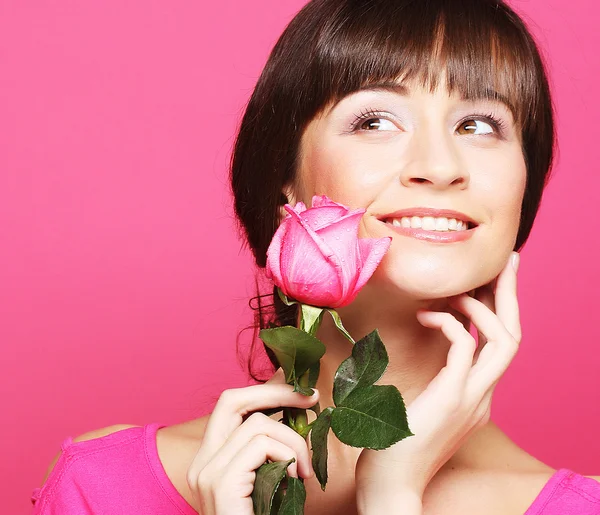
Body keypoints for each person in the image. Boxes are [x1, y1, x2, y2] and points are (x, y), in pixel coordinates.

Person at [31, 0, 600, 513]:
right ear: (286, 182)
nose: (441, 165)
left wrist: (393, 495)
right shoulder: (106, 488)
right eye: (375, 121)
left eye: (479, 125)